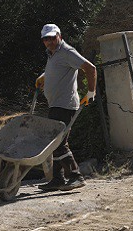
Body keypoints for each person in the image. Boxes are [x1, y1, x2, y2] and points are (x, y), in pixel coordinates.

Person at [35, 23, 97, 191]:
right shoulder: (52, 54)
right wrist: (44, 77)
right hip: (55, 104)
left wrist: (91, 92)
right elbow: (58, 70)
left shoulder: (66, 51)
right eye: (46, 39)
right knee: (54, 142)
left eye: (52, 38)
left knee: (59, 142)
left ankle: (76, 176)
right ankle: (57, 179)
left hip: (65, 104)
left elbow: (90, 68)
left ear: (59, 36)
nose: (49, 41)